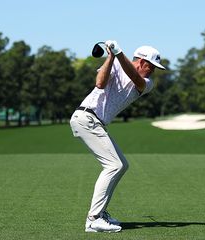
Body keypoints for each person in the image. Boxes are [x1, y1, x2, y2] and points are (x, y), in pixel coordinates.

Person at [70, 40, 165, 233]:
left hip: (95, 122)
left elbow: (135, 79)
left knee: (121, 165)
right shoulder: (114, 64)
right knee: (115, 165)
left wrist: (119, 53)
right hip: (86, 118)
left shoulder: (147, 84)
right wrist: (111, 56)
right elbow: (99, 83)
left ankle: (100, 213)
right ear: (141, 62)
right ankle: (94, 219)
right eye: (151, 66)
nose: (153, 71)